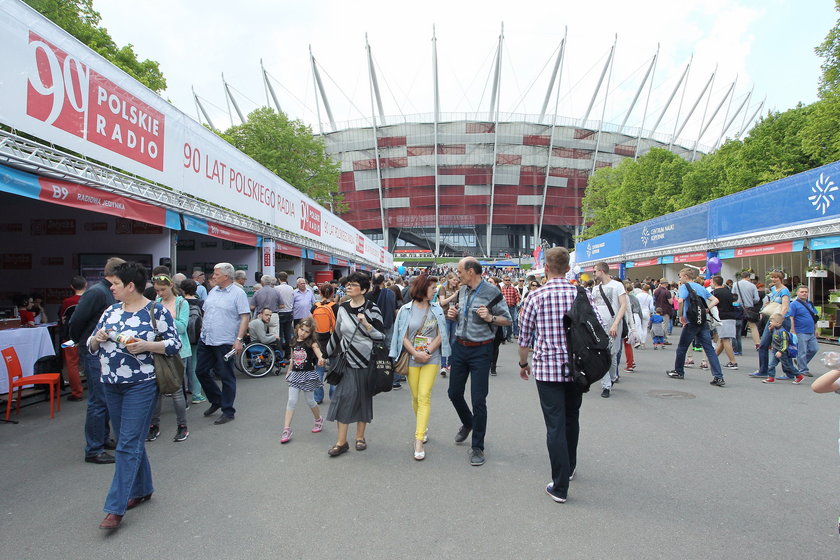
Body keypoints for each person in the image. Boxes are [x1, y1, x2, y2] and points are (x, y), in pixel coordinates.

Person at [88, 261, 181, 530]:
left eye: (116, 284)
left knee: (126, 443)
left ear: (130, 286)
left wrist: (147, 345)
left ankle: (115, 508)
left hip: (141, 384)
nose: (112, 288)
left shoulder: (156, 310)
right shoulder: (110, 310)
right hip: (110, 383)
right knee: (130, 441)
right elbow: (91, 343)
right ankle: (143, 488)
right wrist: (98, 338)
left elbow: (174, 344)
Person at [518, 247, 593, 504]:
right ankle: (569, 467)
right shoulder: (582, 294)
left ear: (546, 268)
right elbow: (595, 328)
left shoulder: (535, 296)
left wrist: (522, 363)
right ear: (568, 267)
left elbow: (524, 337)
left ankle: (559, 485)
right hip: (578, 366)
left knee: (555, 425)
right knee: (572, 417)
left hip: (548, 368)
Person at [445, 257, 512, 467]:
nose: (458, 275)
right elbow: (461, 317)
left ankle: (477, 447)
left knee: (478, 399)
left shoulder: (492, 292)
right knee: (453, 393)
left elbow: (507, 319)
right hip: (460, 347)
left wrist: (490, 317)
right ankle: (468, 422)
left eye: (460, 271)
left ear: (471, 271)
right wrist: (453, 315)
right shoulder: (462, 291)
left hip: (481, 350)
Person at [69, 257, 125, 465]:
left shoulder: (106, 292)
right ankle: (94, 449)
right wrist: (82, 342)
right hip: (93, 351)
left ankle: (101, 439)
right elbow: (76, 320)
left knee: (104, 400)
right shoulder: (97, 292)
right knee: (98, 401)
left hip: (102, 351)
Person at [390, 274, 450, 460]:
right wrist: (416, 354)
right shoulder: (405, 310)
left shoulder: (437, 309)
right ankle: (422, 428)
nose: (435, 291)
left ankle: (418, 440)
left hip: (432, 358)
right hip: (412, 357)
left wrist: (428, 351)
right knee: (415, 397)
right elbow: (402, 336)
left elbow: (442, 333)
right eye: (432, 288)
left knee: (424, 396)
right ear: (423, 289)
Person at [325, 272, 385, 457]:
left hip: (366, 361)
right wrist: (324, 355)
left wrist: (366, 324)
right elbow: (337, 334)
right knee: (342, 397)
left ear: (364, 289)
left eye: (353, 285)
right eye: (348, 284)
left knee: (363, 398)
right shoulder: (342, 307)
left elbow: (381, 336)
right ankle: (341, 442)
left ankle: (360, 437)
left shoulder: (372, 308)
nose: (348, 287)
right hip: (346, 361)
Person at [195, 263, 251, 425]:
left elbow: (245, 317)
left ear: (226, 276)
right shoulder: (213, 291)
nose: (213, 276)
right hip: (207, 339)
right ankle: (217, 399)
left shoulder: (238, 293)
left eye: (216, 274)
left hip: (225, 341)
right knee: (201, 371)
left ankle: (228, 410)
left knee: (226, 376)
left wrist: (239, 340)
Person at [148, 274, 191, 443]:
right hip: (158, 349)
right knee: (156, 390)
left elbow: (182, 327)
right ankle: (153, 425)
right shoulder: (155, 303)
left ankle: (182, 426)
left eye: (163, 289)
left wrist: (167, 318)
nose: (160, 293)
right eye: (157, 290)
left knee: (176, 390)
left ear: (171, 286)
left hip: (178, 350)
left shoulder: (181, 303)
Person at [666, 268, 726, 387]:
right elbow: (715, 300)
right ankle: (718, 376)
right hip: (702, 320)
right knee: (708, 348)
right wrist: (707, 309)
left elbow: (681, 300)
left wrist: (681, 315)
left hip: (691, 321)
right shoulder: (701, 287)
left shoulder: (685, 287)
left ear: (686, 277)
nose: (680, 279)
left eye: (680, 276)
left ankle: (679, 371)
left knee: (682, 347)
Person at [280, 318, 325, 443]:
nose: (303, 333)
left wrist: (321, 359)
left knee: (310, 401)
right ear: (297, 328)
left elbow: (319, 353)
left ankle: (318, 419)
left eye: (306, 331)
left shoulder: (312, 343)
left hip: (307, 374)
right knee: (291, 401)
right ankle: (286, 429)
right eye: (301, 329)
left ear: (311, 333)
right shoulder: (293, 341)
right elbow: (292, 359)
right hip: (295, 375)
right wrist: (289, 371)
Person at [591, 262, 627, 398]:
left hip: (614, 323)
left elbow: (623, 305)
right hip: (600, 326)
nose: (593, 274)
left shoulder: (617, 286)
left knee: (612, 354)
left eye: (595, 271)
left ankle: (612, 377)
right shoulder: (595, 289)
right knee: (602, 354)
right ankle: (606, 385)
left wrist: (616, 324)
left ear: (601, 271)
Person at [750, 272, 791, 379]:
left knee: (782, 346)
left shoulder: (784, 291)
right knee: (763, 344)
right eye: (772, 277)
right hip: (772, 318)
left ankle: (789, 372)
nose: (773, 279)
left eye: (776, 277)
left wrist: (778, 321)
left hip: (781, 320)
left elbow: (785, 307)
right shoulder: (773, 289)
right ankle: (763, 370)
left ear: (781, 278)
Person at [59, 276, 87, 401]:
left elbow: (63, 318)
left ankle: (77, 392)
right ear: (86, 285)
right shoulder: (89, 299)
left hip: (70, 337)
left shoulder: (67, 302)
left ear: (71, 287)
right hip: (88, 336)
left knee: (71, 364)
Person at [179, 279, 206, 404]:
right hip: (196, 336)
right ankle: (196, 394)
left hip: (182, 337)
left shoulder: (179, 302)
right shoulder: (201, 303)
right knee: (195, 363)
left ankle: (181, 395)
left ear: (182, 289)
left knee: (182, 366)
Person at [312, 283, 338, 404]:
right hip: (332, 341)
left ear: (320, 293)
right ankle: (333, 396)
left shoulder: (315, 307)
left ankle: (318, 397)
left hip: (318, 341)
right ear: (332, 293)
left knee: (319, 369)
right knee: (334, 368)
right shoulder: (335, 307)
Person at [761, 313, 803, 384]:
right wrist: (770, 330)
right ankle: (771, 377)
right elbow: (774, 337)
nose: (770, 322)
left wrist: (781, 351)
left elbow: (785, 343)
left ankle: (799, 376)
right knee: (771, 364)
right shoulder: (774, 329)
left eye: (772, 321)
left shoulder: (783, 332)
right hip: (775, 350)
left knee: (787, 366)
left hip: (782, 352)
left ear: (778, 323)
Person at [789, 285, 820, 378]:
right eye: (802, 292)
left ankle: (800, 363)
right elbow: (791, 317)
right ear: (797, 293)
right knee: (802, 351)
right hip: (800, 331)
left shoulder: (810, 303)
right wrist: (792, 330)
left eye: (806, 292)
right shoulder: (793, 304)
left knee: (814, 349)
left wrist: (816, 329)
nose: (804, 293)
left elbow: (814, 317)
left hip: (811, 331)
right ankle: (803, 369)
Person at [710, 276, 739, 370]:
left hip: (721, 317)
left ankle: (733, 362)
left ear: (714, 283)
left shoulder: (714, 293)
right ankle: (713, 359)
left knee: (725, 339)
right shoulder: (728, 292)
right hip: (731, 317)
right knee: (723, 340)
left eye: (711, 282)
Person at [436, 273, 460, 377]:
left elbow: (458, 302)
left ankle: (450, 363)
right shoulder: (443, 288)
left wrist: (458, 304)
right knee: (444, 340)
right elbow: (442, 302)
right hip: (445, 317)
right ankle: (443, 365)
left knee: (453, 341)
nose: (456, 281)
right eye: (454, 280)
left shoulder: (457, 289)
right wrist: (453, 296)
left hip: (454, 317)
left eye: (457, 280)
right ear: (449, 280)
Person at [486, 277, 506, 376]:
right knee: (486, 346)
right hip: (486, 324)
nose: (488, 283)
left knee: (495, 346)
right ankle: (486, 364)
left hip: (497, 323)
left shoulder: (500, 296)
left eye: (490, 282)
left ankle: (493, 366)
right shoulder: (484, 295)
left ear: (496, 284)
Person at [275, 271, 295, 364]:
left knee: (279, 335)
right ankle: (288, 354)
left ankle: (280, 355)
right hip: (289, 312)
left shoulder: (276, 288)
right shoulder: (291, 288)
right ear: (286, 279)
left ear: (278, 279)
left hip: (280, 312)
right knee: (288, 335)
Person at [500, 275, 521, 342]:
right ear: (503, 281)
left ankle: (508, 336)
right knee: (503, 322)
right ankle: (504, 336)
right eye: (506, 280)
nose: (507, 281)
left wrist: (518, 303)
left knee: (510, 322)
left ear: (510, 281)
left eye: (508, 280)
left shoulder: (513, 289)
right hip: (503, 307)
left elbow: (517, 297)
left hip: (512, 307)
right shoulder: (501, 289)